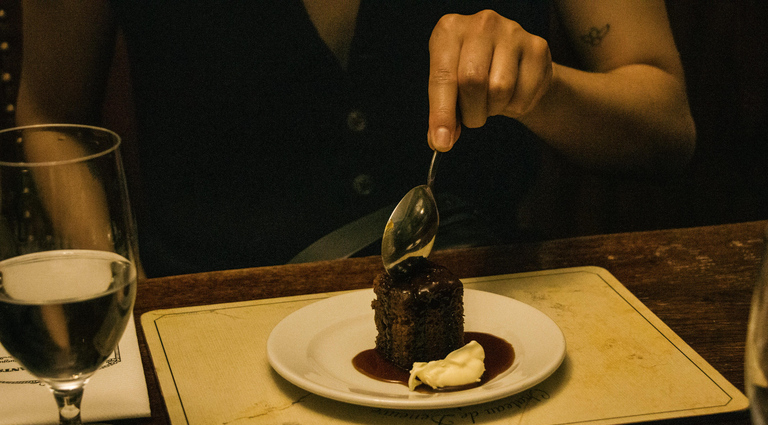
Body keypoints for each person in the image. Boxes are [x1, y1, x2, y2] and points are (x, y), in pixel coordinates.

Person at [16, 1, 695, 278]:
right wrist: (108, 311)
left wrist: (547, 92)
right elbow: (49, 116)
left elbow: (666, 124)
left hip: (494, 308)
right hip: (208, 313)